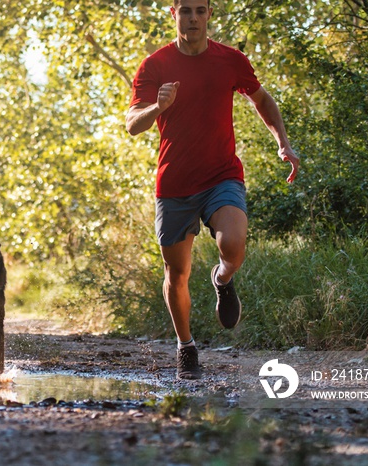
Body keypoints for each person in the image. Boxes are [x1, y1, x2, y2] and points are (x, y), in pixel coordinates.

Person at [126, 0, 299, 380]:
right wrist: (158, 107)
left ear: (208, 15)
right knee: (177, 272)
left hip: (222, 176)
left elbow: (262, 99)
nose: (193, 18)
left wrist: (282, 143)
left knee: (233, 244)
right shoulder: (155, 65)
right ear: (173, 14)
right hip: (173, 185)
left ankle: (222, 278)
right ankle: (186, 347)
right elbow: (133, 124)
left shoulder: (230, 60)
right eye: (185, 10)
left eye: (200, 11)